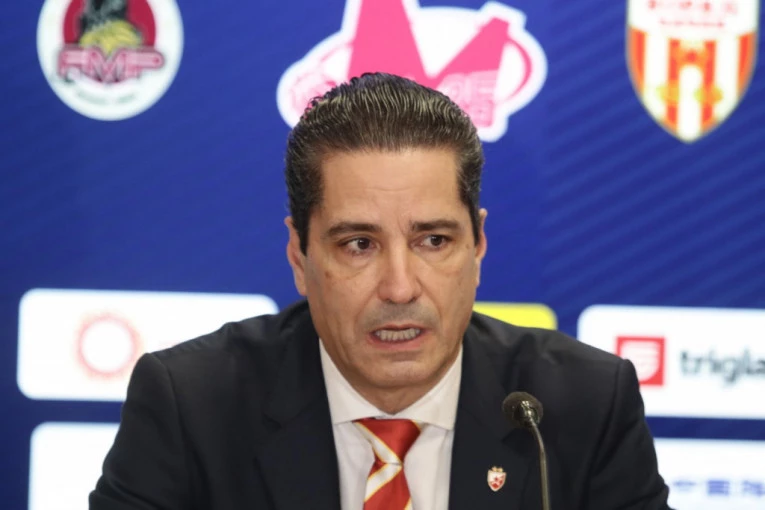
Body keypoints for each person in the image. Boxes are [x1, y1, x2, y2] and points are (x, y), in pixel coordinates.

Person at [90, 73, 671, 510]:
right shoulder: (193, 407)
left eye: (434, 240)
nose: (399, 287)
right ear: (299, 257)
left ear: (478, 247)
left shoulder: (579, 407)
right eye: (359, 244)